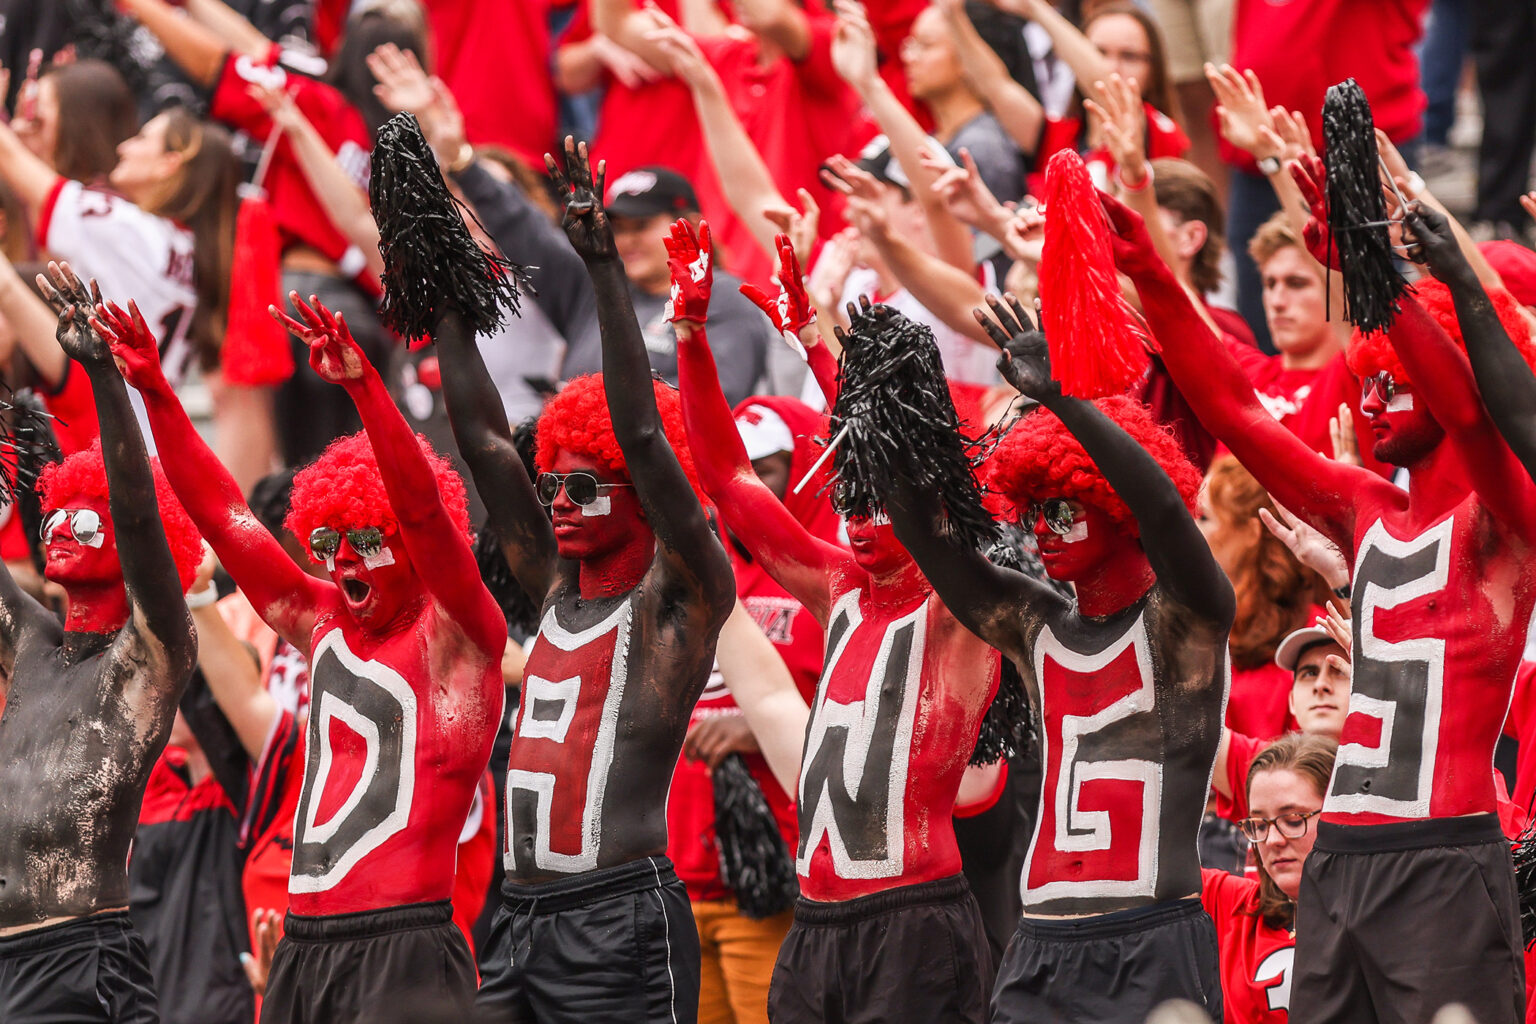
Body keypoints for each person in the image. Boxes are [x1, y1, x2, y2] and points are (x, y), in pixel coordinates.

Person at [1101, 170, 1534, 1022]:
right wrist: (1150, 272)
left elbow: (1479, 418)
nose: (1367, 399)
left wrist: (1378, 278)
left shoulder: (1506, 515)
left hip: (1444, 854)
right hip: (1339, 856)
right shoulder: (1364, 506)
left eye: (1388, 383)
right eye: (1365, 381)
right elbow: (1232, 409)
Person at [96, 287, 507, 1022]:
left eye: (367, 542)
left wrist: (363, 387)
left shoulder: (459, 635)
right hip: (301, 943)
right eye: (327, 544)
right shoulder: (321, 623)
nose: (343, 560)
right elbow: (225, 519)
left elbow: (419, 509)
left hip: (404, 945)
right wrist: (157, 394)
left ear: (414, 548)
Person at [438, 140, 733, 1023]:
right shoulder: (557, 590)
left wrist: (604, 269)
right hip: (517, 917)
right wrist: (443, 295)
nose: (556, 503)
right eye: (551, 484)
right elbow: (488, 446)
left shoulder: (678, 597)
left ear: (641, 496)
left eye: (580, 486)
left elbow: (643, 437)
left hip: (619, 920)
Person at [675, 236, 998, 1022]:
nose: (858, 519)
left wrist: (820, 346)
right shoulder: (837, 585)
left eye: (877, 497)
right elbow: (726, 477)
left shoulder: (959, 599)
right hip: (817, 921)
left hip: (915, 919)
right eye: (847, 500)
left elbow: (914, 459)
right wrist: (690, 337)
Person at [881, 297, 1228, 1022]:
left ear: (1114, 507)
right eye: (1033, 509)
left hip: (1149, 937)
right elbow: (931, 543)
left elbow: (1164, 509)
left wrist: (1065, 403)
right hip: (1038, 942)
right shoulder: (1033, 622)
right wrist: (883, 416)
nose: (1044, 529)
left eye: (1063, 505)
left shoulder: (1187, 619)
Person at [0, 263, 201, 1023]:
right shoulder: (34, 650)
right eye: (55, 519)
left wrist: (104, 381)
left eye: (88, 523)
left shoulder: (152, 654)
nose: (62, 531)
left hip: (80, 957)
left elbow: (139, 508)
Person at [0, 105, 241, 452]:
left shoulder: (131, 228)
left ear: (169, 163)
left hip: (104, 434)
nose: (124, 147)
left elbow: (17, 167)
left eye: (143, 138)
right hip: (151, 443)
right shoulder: (191, 248)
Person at [1202, 733, 1339, 1024]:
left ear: (1337, 816)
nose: (1273, 840)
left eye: (1293, 820)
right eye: (1259, 824)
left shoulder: (1382, 918)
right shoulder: (1232, 904)